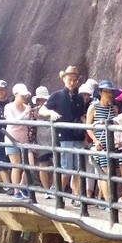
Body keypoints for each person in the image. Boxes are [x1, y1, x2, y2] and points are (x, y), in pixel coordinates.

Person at [41, 66, 89, 200]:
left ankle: (76, 197)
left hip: (78, 135)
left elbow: (81, 116)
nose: (72, 82)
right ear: (64, 79)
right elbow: (42, 110)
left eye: (74, 80)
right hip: (65, 136)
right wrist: (51, 112)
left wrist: (88, 131)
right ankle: (57, 193)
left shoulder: (79, 98)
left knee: (78, 169)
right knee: (67, 169)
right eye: (69, 79)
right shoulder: (57, 96)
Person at [86, 80, 119, 199]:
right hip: (100, 144)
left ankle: (103, 199)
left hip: (112, 144)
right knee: (105, 173)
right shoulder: (93, 107)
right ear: (100, 92)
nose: (108, 94)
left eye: (110, 91)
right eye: (106, 91)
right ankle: (108, 202)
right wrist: (95, 140)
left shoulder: (114, 109)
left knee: (108, 172)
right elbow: (88, 127)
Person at [4, 83, 33, 198]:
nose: (24, 98)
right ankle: (16, 191)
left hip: (24, 140)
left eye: (25, 96)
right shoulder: (9, 107)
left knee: (30, 164)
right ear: (15, 94)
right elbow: (12, 121)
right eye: (22, 96)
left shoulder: (26, 107)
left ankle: (22, 185)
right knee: (16, 166)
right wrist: (25, 112)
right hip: (11, 139)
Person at [28, 85, 55, 196]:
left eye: (44, 99)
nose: (41, 101)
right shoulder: (34, 112)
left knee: (55, 166)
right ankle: (46, 190)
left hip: (53, 140)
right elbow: (31, 129)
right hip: (40, 141)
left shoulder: (53, 110)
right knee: (43, 166)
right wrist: (32, 143)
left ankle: (54, 188)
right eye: (39, 99)